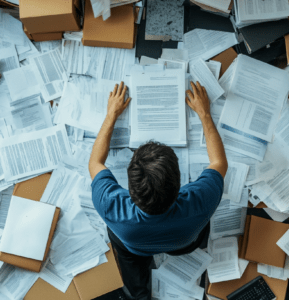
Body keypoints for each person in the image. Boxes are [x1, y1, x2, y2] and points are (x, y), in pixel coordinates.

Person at [89, 81, 228, 300]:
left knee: (124, 256)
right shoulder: (201, 201)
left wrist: (111, 115)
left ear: (130, 189)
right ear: (180, 182)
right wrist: (205, 115)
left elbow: (95, 162)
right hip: (184, 244)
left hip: (135, 247)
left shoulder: (110, 205)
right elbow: (219, 162)